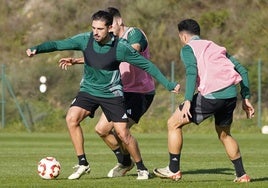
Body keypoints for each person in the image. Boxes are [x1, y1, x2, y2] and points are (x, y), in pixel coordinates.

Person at [26, 10, 180, 180]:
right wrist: (36, 49)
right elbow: (58, 44)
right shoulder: (85, 40)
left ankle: (141, 167)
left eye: (100, 29)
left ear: (110, 28)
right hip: (89, 90)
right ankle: (83, 163)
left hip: (112, 94)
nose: (96, 32)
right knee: (72, 119)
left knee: (123, 133)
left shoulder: (121, 47)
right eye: (93, 28)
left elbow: (147, 65)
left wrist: (168, 84)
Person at [153, 19, 254, 183]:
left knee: (173, 123)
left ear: (183, 36)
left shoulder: (188, 48)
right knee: (225, 134)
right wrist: (246, 97)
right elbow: (242, 70)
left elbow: (192, 72)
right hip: (230, 96)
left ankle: (173, 169)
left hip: (211, 96)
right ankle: (242, 175)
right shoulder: (215, 46)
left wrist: (187, 100)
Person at [59, 7, 156, 178]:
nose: (107, 30)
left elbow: (130, 52)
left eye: (109, 27)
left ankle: (141, 168)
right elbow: (104, 57)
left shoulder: (134, 34)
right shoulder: (109, 40)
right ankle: (125, 161)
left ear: (116, 22)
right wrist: (78, 60)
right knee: (102, 130)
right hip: (120, 90)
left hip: (139, 92)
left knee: (122, 132)